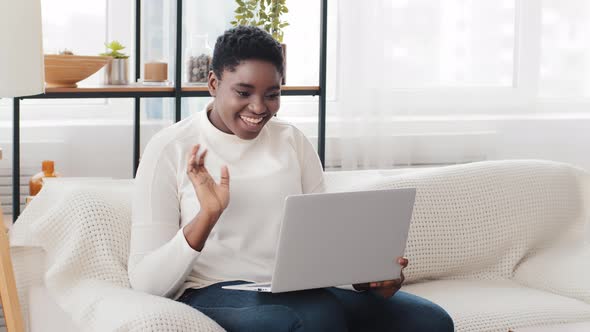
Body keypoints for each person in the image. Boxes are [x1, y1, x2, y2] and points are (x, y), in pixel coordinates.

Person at [129, 25, 454, 332]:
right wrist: (207, 216)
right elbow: (147, 283)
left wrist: (368, 278)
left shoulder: (291, 141)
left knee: (429, 321)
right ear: (213, 83)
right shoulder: (169, 149)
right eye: (243, 92)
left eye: (272, 94)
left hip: (297, 290)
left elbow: (323, 245)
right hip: (212, 290)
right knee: (315, 317)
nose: (258, 108)